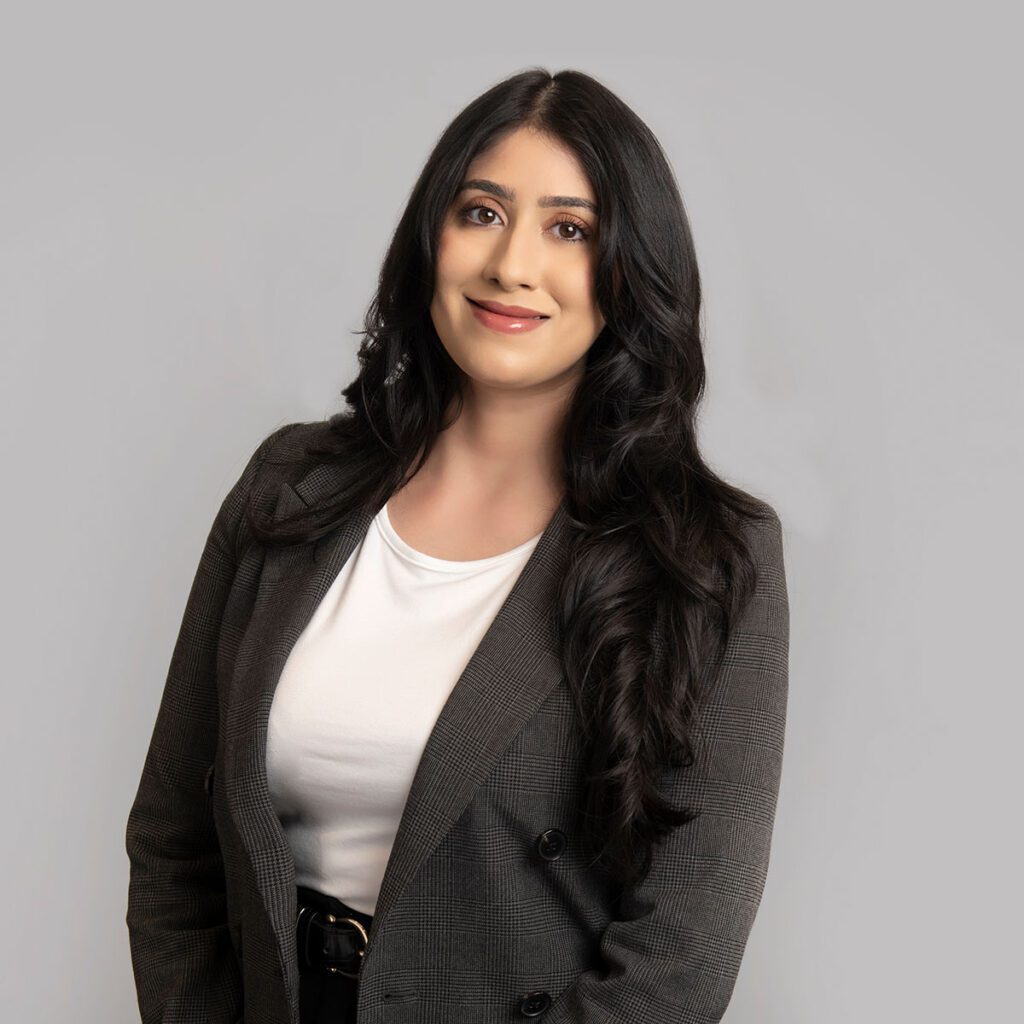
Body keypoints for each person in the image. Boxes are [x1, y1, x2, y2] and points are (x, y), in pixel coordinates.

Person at [125, 66, 790, 1024]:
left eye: (570, 228)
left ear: (630, 267)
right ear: (429, 237)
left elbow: (681, 953)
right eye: (481, 212)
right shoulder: (289, 487)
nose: (511, 263)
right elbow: (173, 841)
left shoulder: (710, 556)